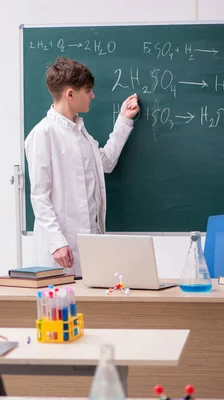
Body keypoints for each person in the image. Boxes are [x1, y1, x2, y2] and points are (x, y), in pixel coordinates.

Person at [24, 56, 140, 277]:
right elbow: (39, 196)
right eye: (88, 91)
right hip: (60, 250)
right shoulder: (43, 134)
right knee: (61, 309)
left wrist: (123, 120)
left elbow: (105, 163)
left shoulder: (81, 133)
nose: (92, 96)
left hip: (90, 246)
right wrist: (57, 242)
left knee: (90, 307)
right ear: (70, 94)